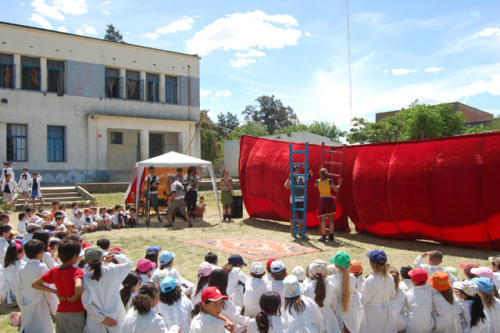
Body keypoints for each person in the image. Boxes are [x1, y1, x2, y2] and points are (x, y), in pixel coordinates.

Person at [32, 239, 86, 333]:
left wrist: (55, 292)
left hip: (60, 312)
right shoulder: (77, 271)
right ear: (74, 257)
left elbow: (35, 284)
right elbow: (78, 287)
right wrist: (75, 297)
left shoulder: (54, 271)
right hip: (75, 313)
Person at [81, 246, 133, 333]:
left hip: (96, 321)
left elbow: (87, 303)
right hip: (116, 315)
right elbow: (129, 264)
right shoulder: (112, 270)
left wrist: (102, 319)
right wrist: (115, 256)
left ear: (86, 261)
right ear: (102, 257)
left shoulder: (85, 277)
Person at [14, 239, 55, 333]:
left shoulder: (22, 268)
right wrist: (54, 308)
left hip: (26, 304)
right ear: (41, 253)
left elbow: (18, 289)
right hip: (40, 305)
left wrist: (21, 305)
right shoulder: (42, 267)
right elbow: (48, 289)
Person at [359, 249, 395, 333]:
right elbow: (392, 294)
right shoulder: (389, 277)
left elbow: (364, 301)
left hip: (372, 313)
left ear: (371, 263)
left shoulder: (370, 280)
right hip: (386, 310)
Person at [304, 259, 341, 333]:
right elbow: (334, 305)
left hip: (313, 317)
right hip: (329, 317)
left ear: (311, 273)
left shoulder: (308, 288)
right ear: (327, 273)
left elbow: (306, 306)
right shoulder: (331, 286)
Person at [208, 268, 250, 332]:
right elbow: (240, 320)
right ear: (225, 282)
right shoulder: (224, 302)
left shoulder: (205, 295)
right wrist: (254, 321)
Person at [330, 251, 361, 333]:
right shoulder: (353, 278)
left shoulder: (331, 279)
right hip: (349, 305)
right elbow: (354, 291)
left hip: (337, 306)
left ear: (336, 265)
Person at [314, 167, 341, 242]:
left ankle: (323, 236)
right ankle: (331, 236)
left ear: (320, 174)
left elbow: (315, 185)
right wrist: (339, 183)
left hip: (322, 200)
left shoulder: (317, 181)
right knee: (330, 220)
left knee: (322, 220)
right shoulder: (329, 181)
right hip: (329, 200)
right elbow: (336, 189)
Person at [284, 166, 313, 235]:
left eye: (299, 170)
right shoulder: (291, 179)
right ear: (293, 172)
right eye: (297, 170)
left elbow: (311, 174)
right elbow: (286, 187)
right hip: (294, 200)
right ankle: (292, 230)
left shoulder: (301, 177)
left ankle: (300, 230)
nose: (299, 171)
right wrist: (289, 177)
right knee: (293, 216)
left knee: (301, 215)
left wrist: (308, 168)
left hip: (301, 199)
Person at [404, 268, 433, 333]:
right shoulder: (430, 293)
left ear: (412, 281)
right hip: (427, 326)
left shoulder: (408, 294)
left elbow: (405, 308)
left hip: (412, 327)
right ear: (426, 280)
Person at [0, 242, 24, 307]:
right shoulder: (22, 264)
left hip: (6, 300)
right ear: (17, 254)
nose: (23, 254)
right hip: (17, 298)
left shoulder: (7, 266)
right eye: (22, 252)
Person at [388, 267, 407, 333]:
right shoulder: (402, 293)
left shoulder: (381, 292)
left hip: (384, 325)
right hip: (399, 324)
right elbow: (406, 309)